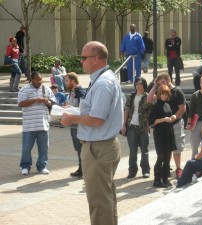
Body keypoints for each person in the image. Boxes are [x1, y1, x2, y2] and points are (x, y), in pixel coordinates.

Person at [61, 41, 123, 225]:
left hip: (98, 148)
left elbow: (97, 119)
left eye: (84, 57)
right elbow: (97, 113)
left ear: (96, 59)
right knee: (105, 199)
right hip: (103, 146)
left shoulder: (103, 83)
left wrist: (72, 118)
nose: (81, 61)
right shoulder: (106, 78)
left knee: (99, 202)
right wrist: (75, 112)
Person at [148, 73, 186, 179]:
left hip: (176, 123)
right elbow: (149, 99)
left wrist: (175, 117)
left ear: (168, 79)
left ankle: (178, 168)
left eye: (163, 81)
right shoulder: (162, 93)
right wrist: (155, 86)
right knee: (166, 149)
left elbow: (183, 108)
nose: (161, 84)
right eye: (160, 82)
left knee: (177, 148)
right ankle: (166, 169)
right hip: (164, 126)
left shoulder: (177, 91)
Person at [18, 71, 56, 175]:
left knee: (43, 148)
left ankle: (42, 166)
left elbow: (53, 100)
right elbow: (21, 103)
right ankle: (25, 166)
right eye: (37, 79)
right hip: (29, 125)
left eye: (41, 79)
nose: (40, 81)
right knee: (26, 148)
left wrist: (48, 102)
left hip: (43, 124)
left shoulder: (46, 89)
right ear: (32, 79)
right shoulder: (24, 89)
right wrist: (36, 100)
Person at [121, 77, 152, 179]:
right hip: (132, 127)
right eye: (137, 84)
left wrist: (148, 124)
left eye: (140, 84)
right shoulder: (132, 96)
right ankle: (132, 171)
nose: (138, 86)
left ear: (144, 85)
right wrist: (123, 125)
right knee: (132, 151)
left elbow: (151, 113)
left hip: (143, 127)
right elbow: (126, 111)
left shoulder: (147, 97)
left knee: (144, 150)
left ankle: (145, 171)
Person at [148, 85, 177, 188]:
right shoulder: (156, 105)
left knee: (168, 157)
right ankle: (157, 180)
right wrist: (164, 119)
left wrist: (173, 117)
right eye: (162, 94)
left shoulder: (167, 105)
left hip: (168, 131)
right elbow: (152, 121)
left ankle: (165, 179)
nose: (164, 96)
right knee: (161, 156)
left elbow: (170, 116)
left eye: (166, 94)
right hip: (160, 133)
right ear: (159, 94)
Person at [64, 72, 86, 177]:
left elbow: (84, 109)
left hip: (79, 125)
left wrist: (70, 109)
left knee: (82, 148)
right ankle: (81, 169)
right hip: (73, 125)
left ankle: (84, 170)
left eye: (67, 80)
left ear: (73, 81)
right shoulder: (72, 91)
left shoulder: (80, 91)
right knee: (78, 148)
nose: (65, 83)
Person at [186, 76, 202, 158]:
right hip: (196, 122)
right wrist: (189, 123)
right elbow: (191, 110)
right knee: (194, 144)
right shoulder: (195, 95)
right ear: (200, 84)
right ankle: (194, 162)